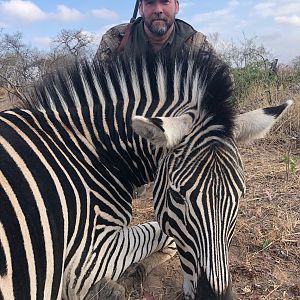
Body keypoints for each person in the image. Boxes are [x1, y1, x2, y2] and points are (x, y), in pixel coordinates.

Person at [95, 0, 213, 61]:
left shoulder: (196, 43)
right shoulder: (115, 38)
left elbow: (227, 85)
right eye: (150, 2)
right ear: (141, 8)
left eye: (165, 1)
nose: (158, 10)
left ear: (176, 6)